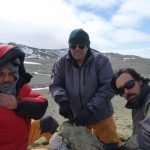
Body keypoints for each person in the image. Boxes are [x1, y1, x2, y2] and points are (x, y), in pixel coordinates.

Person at [49, 28, 122, 149]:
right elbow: (56, 84)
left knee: (111, 145)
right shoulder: (61, 64)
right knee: (82, 146)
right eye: (73, 46)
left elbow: (108, 88)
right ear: (69, 47)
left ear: (87, 46)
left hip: (101, 116)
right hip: (77, 118)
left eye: (81, 46)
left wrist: (90, 109)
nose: (77, 49)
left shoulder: (101, 61)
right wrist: (62, 100)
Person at [0, 44, 58, 150]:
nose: (6, 79)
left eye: (10, 73)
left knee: (48, 121)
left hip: (23, 139)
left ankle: (59, 146)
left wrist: (17, 104)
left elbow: (42, 104)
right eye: (1, 74)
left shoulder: (19, 88)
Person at [111, 68, 150, 149]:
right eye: (121, 90)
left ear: (140, 81)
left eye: (129, 85)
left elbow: (147, 138)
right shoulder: (136, 103)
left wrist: (128, 144)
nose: (126, 92)